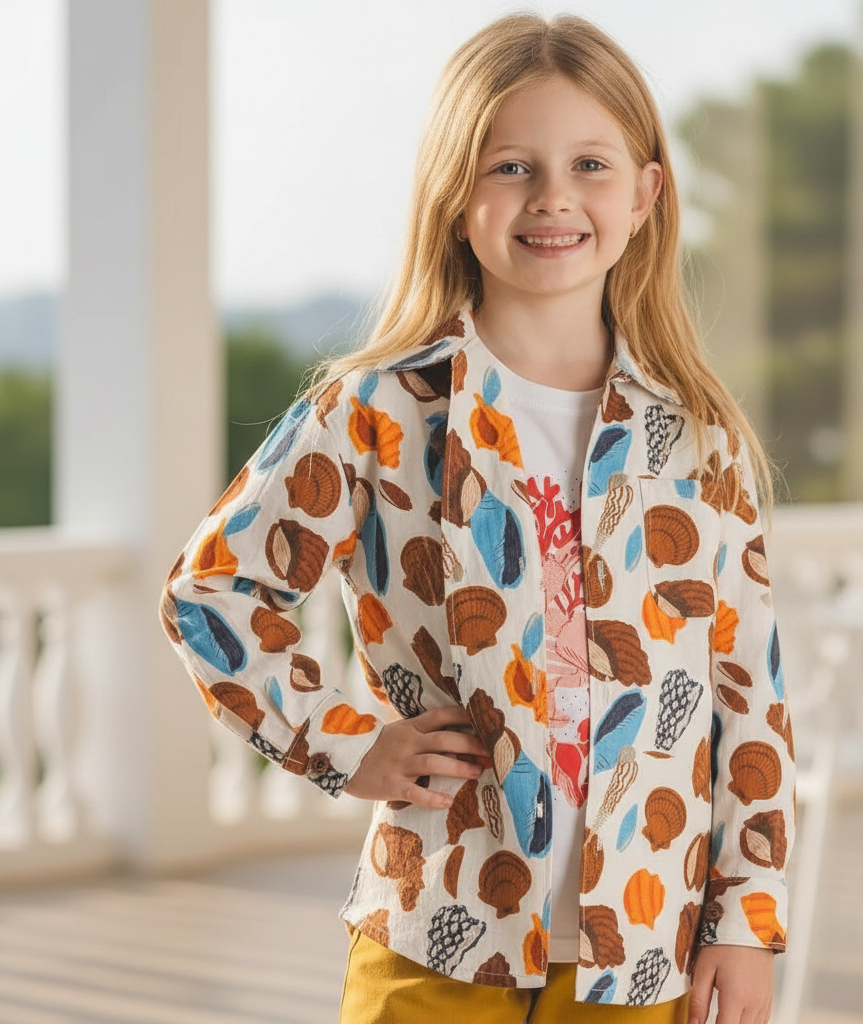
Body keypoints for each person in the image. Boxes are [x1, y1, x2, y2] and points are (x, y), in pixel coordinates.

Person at [160, 12, 795, 1024]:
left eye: (589, 163)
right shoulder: (372, 411)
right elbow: (211, 593)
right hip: (437, 923)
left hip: (639, 944)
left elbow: (744, 699)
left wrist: (744, 919)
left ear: (644, 193)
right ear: (457, 199)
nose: (552, 198)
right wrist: (346, 740)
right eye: (511, 167)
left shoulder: (699, 440)